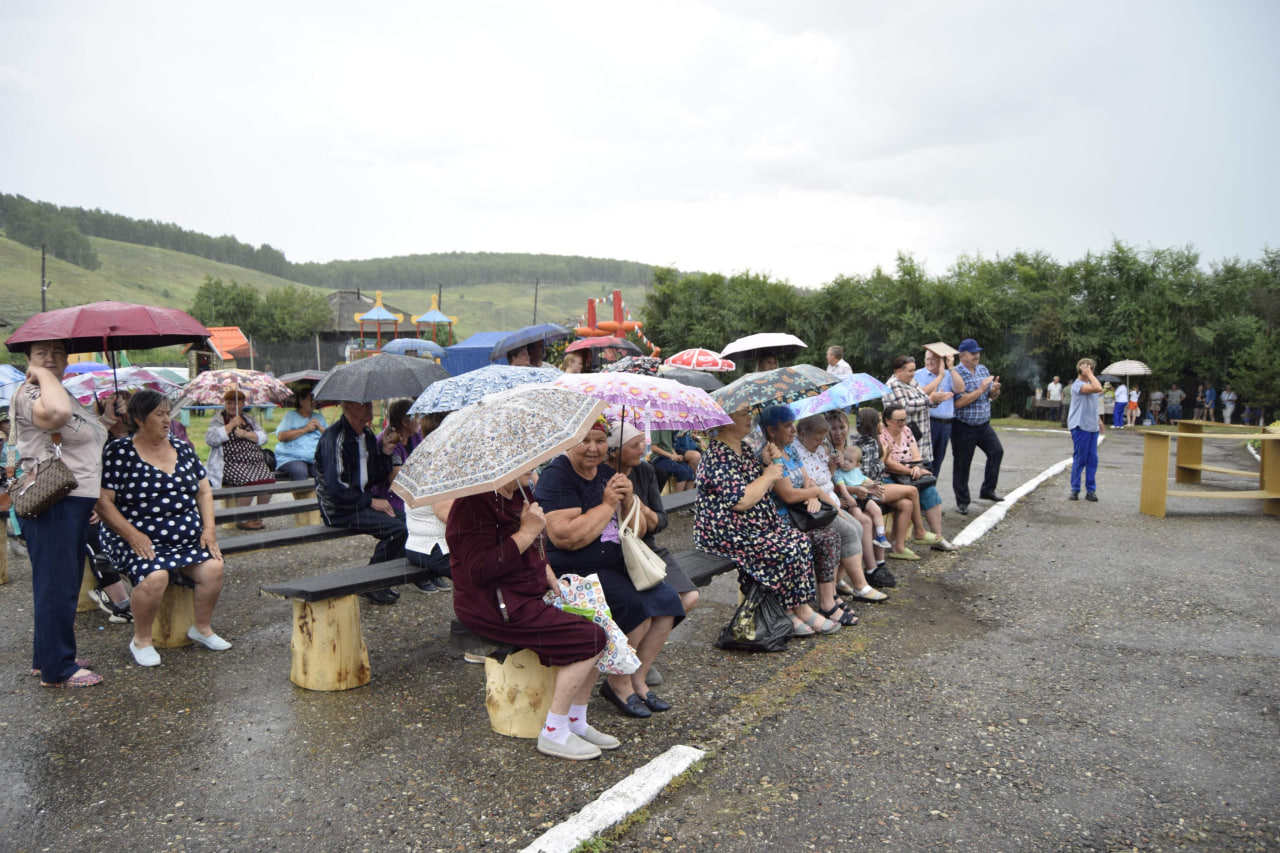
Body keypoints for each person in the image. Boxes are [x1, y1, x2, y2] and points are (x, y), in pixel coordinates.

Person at [446, 473, 618, 761]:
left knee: (599, 620)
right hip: (492, 606)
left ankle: (576, 720)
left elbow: (538, 546)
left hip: (526, 593)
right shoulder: (472, 504)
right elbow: (478, 570)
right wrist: (525, 531)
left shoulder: (521, 490)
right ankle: (554, 731)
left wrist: (553, 581)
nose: (534, 466)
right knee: (589, 638)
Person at [537, 419, 684, 718]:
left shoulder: (608, 473)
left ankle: (637, 679)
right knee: (637, 607)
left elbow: (638, 531)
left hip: (615, 562)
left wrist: (630, 499)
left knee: (668, 601)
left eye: (600, 441)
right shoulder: (557, 476)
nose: (593, 448)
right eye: (585, 440)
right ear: (569, 441)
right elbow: (565, 538)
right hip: (576, 570)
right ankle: (619, 685)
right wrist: (606, 505)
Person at [97, 390, 230, 667]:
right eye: (159, 414)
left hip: (185, 537)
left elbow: (204, 491)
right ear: (138, 419)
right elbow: (103, 502)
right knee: (156, 576)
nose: (167, 419)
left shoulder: (182, 448)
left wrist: (209, 530)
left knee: (214, 567)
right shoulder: (119, 452)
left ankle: (202, 628)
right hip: (135, 537)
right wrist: (133, 535)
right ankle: (141, 640)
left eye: (168, 413)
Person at [13, 339, 108, 687]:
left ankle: (48, 656)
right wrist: (39, 372)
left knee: (58, 583)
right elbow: (57, 417)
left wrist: (106, 419)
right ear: (27, 359)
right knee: (57, 586)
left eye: (57, 353)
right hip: (54, 502)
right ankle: (59, 670)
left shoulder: (59, 390)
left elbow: (81, 436)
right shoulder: (34, 392)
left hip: (72, 500)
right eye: (42, 353)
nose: (51, 358)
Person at [693, 407, 824, 635]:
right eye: (743, 414)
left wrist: (767, 463)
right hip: (727, 532)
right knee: (786, 549)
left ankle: (799, 609)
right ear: (725, 421)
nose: (750, 419)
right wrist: (768, 475)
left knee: (800, 541)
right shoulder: (717, 456)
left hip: (753, 526)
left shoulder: (742, 448)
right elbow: (741, 501)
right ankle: (788, 612)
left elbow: (763, 487)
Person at [758, 406, 868, 630]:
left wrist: (812, 494)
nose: (793, 430)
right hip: (783, 519)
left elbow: (807, 480)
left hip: (801, 513)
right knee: (822, 538)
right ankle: (802, 606)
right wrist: (814, 494)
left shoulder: (791, 450)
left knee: (831, 535)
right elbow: (787, 495)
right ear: (770, 430)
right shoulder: (769, 455)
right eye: (787, 426)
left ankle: (829, 600)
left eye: (793, 424)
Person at [785, 411, 890, 614]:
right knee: (849, 531)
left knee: (857, 527)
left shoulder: (820, 448)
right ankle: (860, 585)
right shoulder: (795, 451)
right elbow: (807, 484)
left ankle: (838, 580)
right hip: (814, 507)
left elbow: (825, 477)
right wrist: (823, 498)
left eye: (821, 438)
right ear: (802, 434)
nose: (820, 442)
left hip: (829, 500)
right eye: (816, 439)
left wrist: (833, 467)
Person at [315, 399, 408, 604]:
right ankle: (371, 582)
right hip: (338, 508)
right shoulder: (334, 438)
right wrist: (370, 501)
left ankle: (378, 580)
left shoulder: (366, 435)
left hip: (360, 501)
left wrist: (385, 452)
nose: (369, 407)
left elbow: (375, 476)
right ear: (347, 407)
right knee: (397, 530)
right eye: (362, 404)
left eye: (369, 403)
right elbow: (336, 489)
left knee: (407, 523)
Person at [610, 423, 699, 615]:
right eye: (634, 445)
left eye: (642, 443)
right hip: (618, 550)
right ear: (614, 451)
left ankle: (649, 642)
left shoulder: (644, 470)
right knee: (647, 609)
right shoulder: (603, 476)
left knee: (689, 596)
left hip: (646, 546)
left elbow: (661, 521)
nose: (641, 449)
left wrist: (639, 506)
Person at [879, 403, 956, 551]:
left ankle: (937, 536)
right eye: (899, 420)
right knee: (907, 498)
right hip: (890, 476)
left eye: (905, 419)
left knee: (930, 492)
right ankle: (911, 536)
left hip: (909, 475)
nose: (903, 423)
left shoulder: (907, 430)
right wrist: (910, 471)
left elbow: (916, 455)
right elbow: (888, 464)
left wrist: (916, 467)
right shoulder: (882, 435)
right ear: (888, 420)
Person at [949, 338, 1004, 515]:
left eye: (977, 352)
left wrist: (994, 390)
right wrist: (980, 389)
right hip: (963, 426)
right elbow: (958, 403)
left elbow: (991, 396)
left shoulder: (982, 369)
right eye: (973, 353)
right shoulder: (956, 373)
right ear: (962, 356)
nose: (977, 356)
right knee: (962, 464)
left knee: (996, 451)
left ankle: (988, 490)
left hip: (983, 423)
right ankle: (962, 501)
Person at [206, 387, 273, 530]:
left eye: (237, 403)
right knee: (248, 481)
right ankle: (242, 519)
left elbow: (264, 437)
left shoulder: (249, 419)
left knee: (269, 482)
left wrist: (245, 434)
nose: (232, 406)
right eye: (229, 403)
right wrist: (230, 425)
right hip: (232, 462)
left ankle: (257, 517)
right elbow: (210, 439)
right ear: (225, 403)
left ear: (243, 404)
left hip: (256, 462)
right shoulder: (218, 419)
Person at [884, 355, 937, 474]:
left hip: (921, 437)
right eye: (910, 370)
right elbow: (905, 407)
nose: (913, 374)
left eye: (914, 370)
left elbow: (924, 399)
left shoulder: (912, 382)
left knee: (927, 473)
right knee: (913, 474)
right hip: (906, 437)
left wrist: (936, 399)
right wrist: (930, 400)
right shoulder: (893, 384)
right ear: (899, 371)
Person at [915, 349, 956, 477]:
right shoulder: (918, 374)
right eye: (927, 359)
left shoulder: (950, 374)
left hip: (946, 424)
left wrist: (950, 368)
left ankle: (932, 491)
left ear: (941, 361)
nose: (930, 362)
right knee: (925, 461)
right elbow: (921, 393)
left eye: (933, 359)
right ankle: (922, 491)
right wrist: (940, 377)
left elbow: (960, 389)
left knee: (938, 459)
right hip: (928, 422)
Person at [1066, 358, 1103, 501]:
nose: (1092, 372)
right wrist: (1089, 374)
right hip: (1080, 426)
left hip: (1092, 426)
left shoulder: (1091, 383)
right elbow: (1098, 388)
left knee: (1092, 460)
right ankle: (1075, 489)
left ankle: (1091, 491)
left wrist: (1099, 420)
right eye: (1090, 369)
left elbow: (1093, 403)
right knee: (1080, 459)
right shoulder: (1077, 385)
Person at [274, 386, 326, 481]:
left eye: (315, 400)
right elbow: (281, 436)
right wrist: (305, 429)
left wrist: (320, 428)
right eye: (311, 400)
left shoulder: (318, 417)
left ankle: (320, 495)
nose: (314, 403)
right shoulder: (291, 416)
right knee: (299, 471)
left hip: (313, 457)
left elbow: (330, 436)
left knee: (323, 471)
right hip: (292, 457)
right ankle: (303, 496)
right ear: (302, 401)